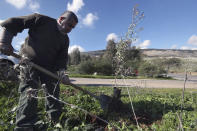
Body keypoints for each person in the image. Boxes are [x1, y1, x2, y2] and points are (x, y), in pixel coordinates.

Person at [0, 11, 78, 131]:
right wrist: (4, 41)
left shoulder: (65, 40)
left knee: (53, 92)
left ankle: (55, 119)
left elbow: (61, 60)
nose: (70, 29)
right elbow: (12, 22)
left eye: (73, 27)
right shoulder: (41, 20)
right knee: (30, 92)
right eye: (69, 25)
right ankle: (24, 125)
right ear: (61, 18)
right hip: (29, 63)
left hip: (49, 69)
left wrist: (63, 75)